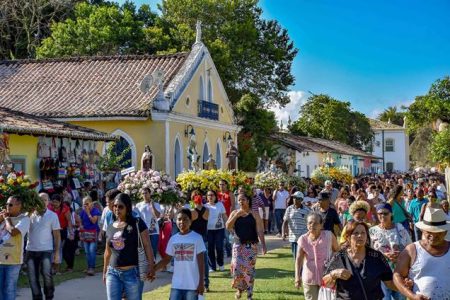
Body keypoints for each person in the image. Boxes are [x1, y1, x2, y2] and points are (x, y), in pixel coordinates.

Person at [323, 221, 396, 300]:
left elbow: (389, 282)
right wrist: (334, 274)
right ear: (348, 237)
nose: (360, 235)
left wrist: (405, 285)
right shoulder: (339, 257)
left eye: (363, 233)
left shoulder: (376, 257)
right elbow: (324, 282)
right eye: (356, 233)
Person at [103, 193, 155, 300]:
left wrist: (151, 266)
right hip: (113, 274)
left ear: (128, 207)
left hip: (132, 273)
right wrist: (105, 271)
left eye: (120, 206)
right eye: (115, 206)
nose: (117, 209)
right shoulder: (110, 227)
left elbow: (147, 245)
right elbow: (107, 252)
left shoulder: (137, 223)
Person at [393, 207, 450, 299]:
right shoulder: (412, 250)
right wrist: (412, 295)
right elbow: (397, 275)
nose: (433, 235)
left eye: (438, 232)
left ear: (445, 231)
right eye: (429, 231)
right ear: (423, 230)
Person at [155, 208, 206, 300]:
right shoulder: (173, 239)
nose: (182, 222)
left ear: (190, 221)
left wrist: (201, 283)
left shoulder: (197, 238)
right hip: (177, 285)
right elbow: (166, 259)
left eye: (185, 219)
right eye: (179, 219)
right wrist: (153, 269)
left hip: (193, 285)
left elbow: (201, 262)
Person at [226, 193, 266, 300]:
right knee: (237, 268)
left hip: (251, 246)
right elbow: (228, 226)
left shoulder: (254, 214)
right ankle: (239, 290)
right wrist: (236, 215)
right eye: (239, 200)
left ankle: (249, 294)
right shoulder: (235, 212)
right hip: (238, 245)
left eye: (243, 199)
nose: (240, 202)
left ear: (248, 201)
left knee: (249, 270)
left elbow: (260, 230)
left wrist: (263, 245)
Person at [369, 203, 412, 300]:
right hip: (381, 273)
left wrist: (401, 255)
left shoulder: (400, 228)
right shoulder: (372, 231)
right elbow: (369, 252)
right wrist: (383, 255)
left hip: (399, 273)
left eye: (385, 213)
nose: (382, 216)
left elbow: (410, 247)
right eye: (380, 213)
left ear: (391, 214)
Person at [295, 212, 339, 300]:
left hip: (328, 277)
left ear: (321, 224)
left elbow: (337, 252)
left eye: (315, 223)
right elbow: (299, 259)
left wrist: (335, 268)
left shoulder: (329, 235)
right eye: (310, 223)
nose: (312, 225)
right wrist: (297, 277)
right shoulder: (303, 239)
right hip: (309, 278)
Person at [25, 193, 61, 300]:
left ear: (48, 202)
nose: (42, 202)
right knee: (32, 278)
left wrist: (57, 253)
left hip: (46, 250)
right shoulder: (29, 215)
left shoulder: (52, 215)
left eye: (45, 200)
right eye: (40, 199)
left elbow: (57, 235)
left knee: (47, 276)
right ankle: (37, 297)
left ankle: (49, 296)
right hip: (30, 250)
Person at [0, 195, 30, 300]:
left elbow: (13, 232)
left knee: (9, 289)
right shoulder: (2, 217)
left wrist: (7, 219)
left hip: (13, 261)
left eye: (10, 204)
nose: (7, 206)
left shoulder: (24, 219)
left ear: (19, 206)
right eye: (7, 204)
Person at [47, 193, 73, 275]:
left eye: (56, 202)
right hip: (50, 232)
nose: (54, 204)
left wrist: (71, 232)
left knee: (59, 250)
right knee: (50, 249)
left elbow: (69, 221)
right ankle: (52, 268)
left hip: (61, 231)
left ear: (60, 202)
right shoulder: (49, 208)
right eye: (53, 202)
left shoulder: (65, 208)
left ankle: (57, 269)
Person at [190, 192, 210, 292]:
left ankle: (196, 282)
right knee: (204, 261)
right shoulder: (207, 210)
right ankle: (206, 283)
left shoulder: (192, 212)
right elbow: (206, 220)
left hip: (194, 238)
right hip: (203, 237)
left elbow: (189, 224)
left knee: (194, 261)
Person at [135, 187, 161, 260]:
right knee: (143, 251)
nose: (144, 195)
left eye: (146, 193)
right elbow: (136, 218)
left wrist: (152, 205)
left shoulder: (156, 204)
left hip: (154, 231)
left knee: (153, 250)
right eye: (143, 193)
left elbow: (157, 215)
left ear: (150, 194)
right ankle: (145, 269)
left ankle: (153, 268)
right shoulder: (138, 205)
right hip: (143, 231)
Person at [282, 191, 310, 259]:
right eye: (294, 198)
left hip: (304, 238)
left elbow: (310, 223)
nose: (294, 199)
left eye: (297, 198)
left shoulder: (307, 210)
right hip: (293, 238)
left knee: (305, 258)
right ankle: (298, 270)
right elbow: (285, 222)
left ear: (301, 200)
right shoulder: (289, 208)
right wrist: (283, 233)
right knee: (296, 258)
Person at [77, 196, 101, 275]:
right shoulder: (83, 211)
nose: (85, 206)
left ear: (91, 203)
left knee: (91, 250)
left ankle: (92, 268)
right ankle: (89, 267)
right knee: (87, 251)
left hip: (93, 233)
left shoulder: (95, 210)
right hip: (85, 233)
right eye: (84, 204)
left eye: (87, 204)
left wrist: (88, 213)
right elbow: (80, 220)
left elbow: (94, 221)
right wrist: (80, 225)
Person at [205, 190, 227, 272]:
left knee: (219, 247)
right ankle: (212, 267)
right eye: (208, 195)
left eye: (212, 195)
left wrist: (228, 225)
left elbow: (224, 216)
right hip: (209, 230)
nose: (210, 197)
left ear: (215, 196)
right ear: (206, 197)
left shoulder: (220, 204)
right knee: (210, 248)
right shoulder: (204, 206)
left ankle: (221, 264)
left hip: (219, 229)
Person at [217, 179, 235, 257]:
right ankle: (222, 251)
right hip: (218, 218)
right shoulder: (217, 194)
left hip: (227, 217)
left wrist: (231, 217)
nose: (221, 186)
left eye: (223, 184)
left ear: (226, 185)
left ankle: (229, 251)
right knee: (221, 236)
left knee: (227, 236)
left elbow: (233, 206)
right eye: (220, 184)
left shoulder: (230, 193)